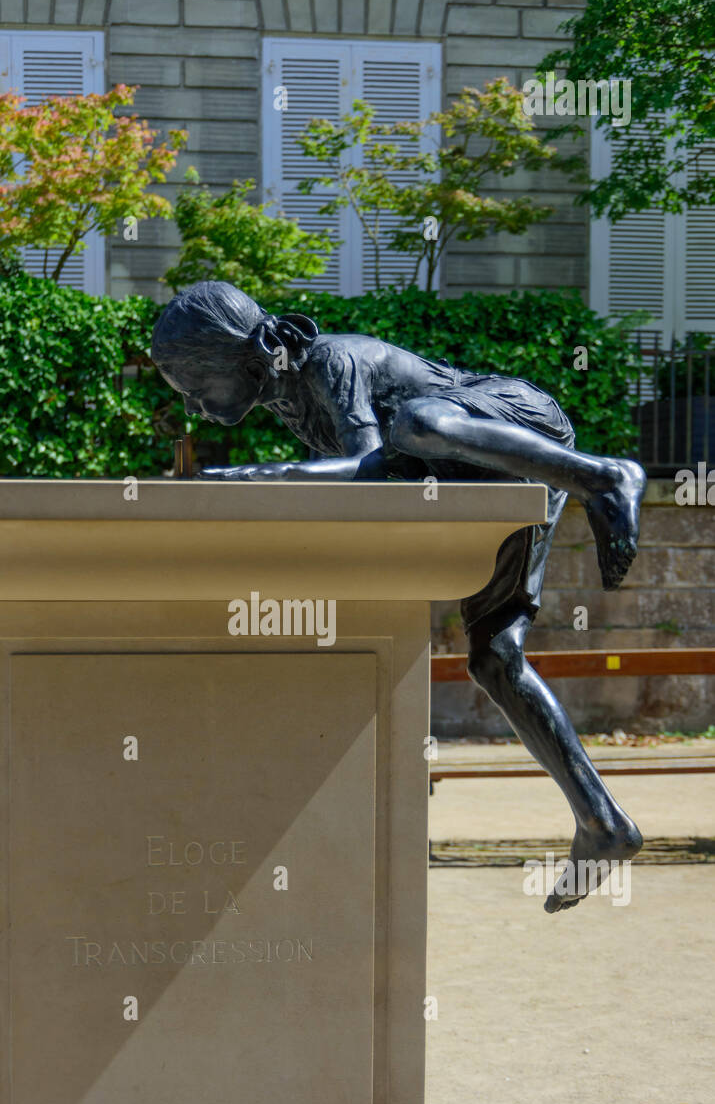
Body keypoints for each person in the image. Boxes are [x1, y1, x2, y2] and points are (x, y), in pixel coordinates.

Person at [151, 281, 647, 913]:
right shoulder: (289, 398)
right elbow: (387, 476)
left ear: (240, 357)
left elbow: (371, 477)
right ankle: (603, 823)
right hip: (490, 466)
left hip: (517, 423)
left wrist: (259, 477)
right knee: (495, 657)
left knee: (418, 421)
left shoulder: (330, 361)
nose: (193, 406)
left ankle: (605, 475)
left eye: (196, 385)